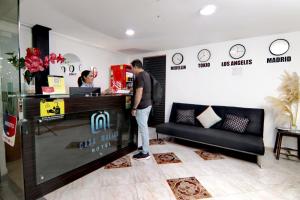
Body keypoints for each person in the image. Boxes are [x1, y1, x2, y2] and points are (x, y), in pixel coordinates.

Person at [131, 59, 152, 160]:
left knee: (143, 129)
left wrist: (134, 107)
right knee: (144, 128)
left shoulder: (139, 76)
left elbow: (139, 93)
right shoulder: (146, 74)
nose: (131, 70)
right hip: (148, 104)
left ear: (135, 66)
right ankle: (145, 147)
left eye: (131, 68)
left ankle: (145, 152)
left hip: (142, 106)